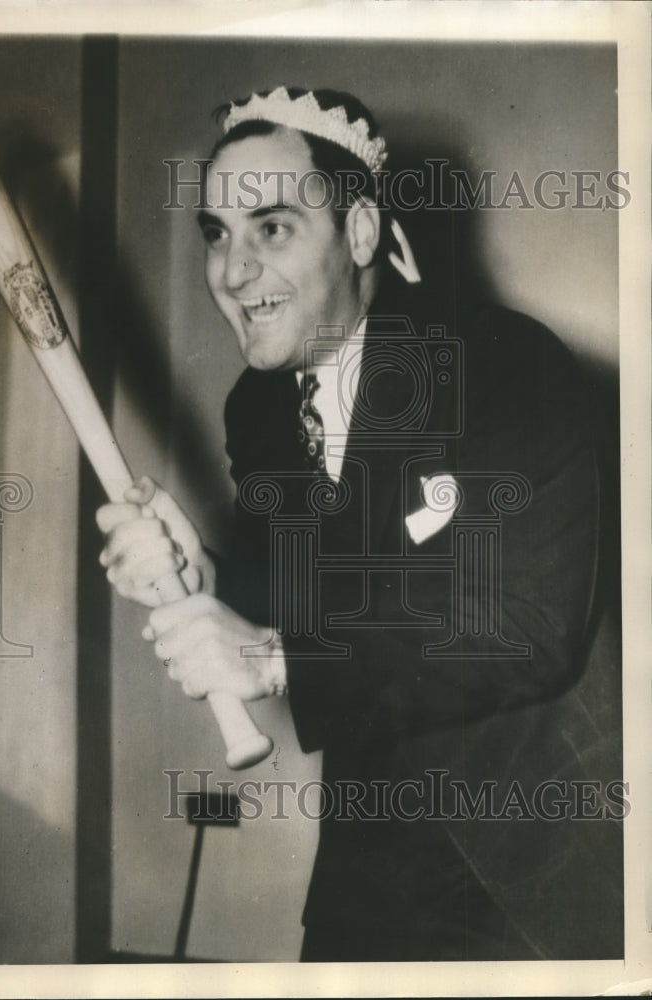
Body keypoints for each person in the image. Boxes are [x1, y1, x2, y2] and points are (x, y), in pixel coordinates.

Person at [97, 87, 623, 961]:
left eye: (271, 228)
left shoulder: (504, 366)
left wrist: (268, 658)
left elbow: (523, 628)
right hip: (373, 869)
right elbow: (311, 605)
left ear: (363, 233)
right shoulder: (259, 413)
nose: (232, 272)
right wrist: (204, 574)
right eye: (217, 235)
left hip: (539, 866)